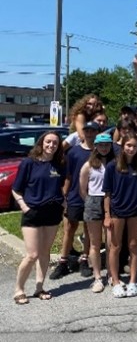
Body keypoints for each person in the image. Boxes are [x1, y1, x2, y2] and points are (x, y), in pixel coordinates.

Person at [11, 131, 66, 305]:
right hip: (33, 212)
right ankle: (19, 289)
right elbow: (16, 189)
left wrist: (63, 202)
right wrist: (24, 206)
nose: (51, 145)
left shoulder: (59, 164)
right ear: (41, 143)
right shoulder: (29, 163)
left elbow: (61, 185)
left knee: (44, 252)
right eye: (48, 142)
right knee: (32, 254)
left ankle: (39, 287)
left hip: (52, 213)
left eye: (55, 143)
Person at [102, 133, 137, 298]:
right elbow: (107, 194)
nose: (131, 148)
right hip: (117, 212)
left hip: (135, 212)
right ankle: (115, 282)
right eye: (128, 145)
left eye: (134, 146)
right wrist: (107, 215)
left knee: (133, 246)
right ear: (122, 147)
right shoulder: (112, 166)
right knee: (115, 247)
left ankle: (132, 282)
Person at [51, 120, 101, 280]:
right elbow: (68, 176)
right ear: (83, 132)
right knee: (69, 228)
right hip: (74, 197)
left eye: (93, 131)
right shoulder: (73, 152)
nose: (89, 133)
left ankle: (84, 260)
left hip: (93, 197)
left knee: (88, 230)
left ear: (96, 133)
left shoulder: (100, 152)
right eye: (87, 130)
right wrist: (64, 196)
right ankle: (63, 261)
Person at [78, 133, 114, 293]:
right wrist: (90, 201)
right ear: (96, 146)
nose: (104, 148)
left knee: (111, 242)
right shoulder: (89, 165)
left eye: (107, 145)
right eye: (101, 145)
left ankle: (112, 274)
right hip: (93, 200)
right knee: (95, 243)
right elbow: (82, 188)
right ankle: (97, 276)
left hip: (111, 202)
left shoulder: (115, 162)